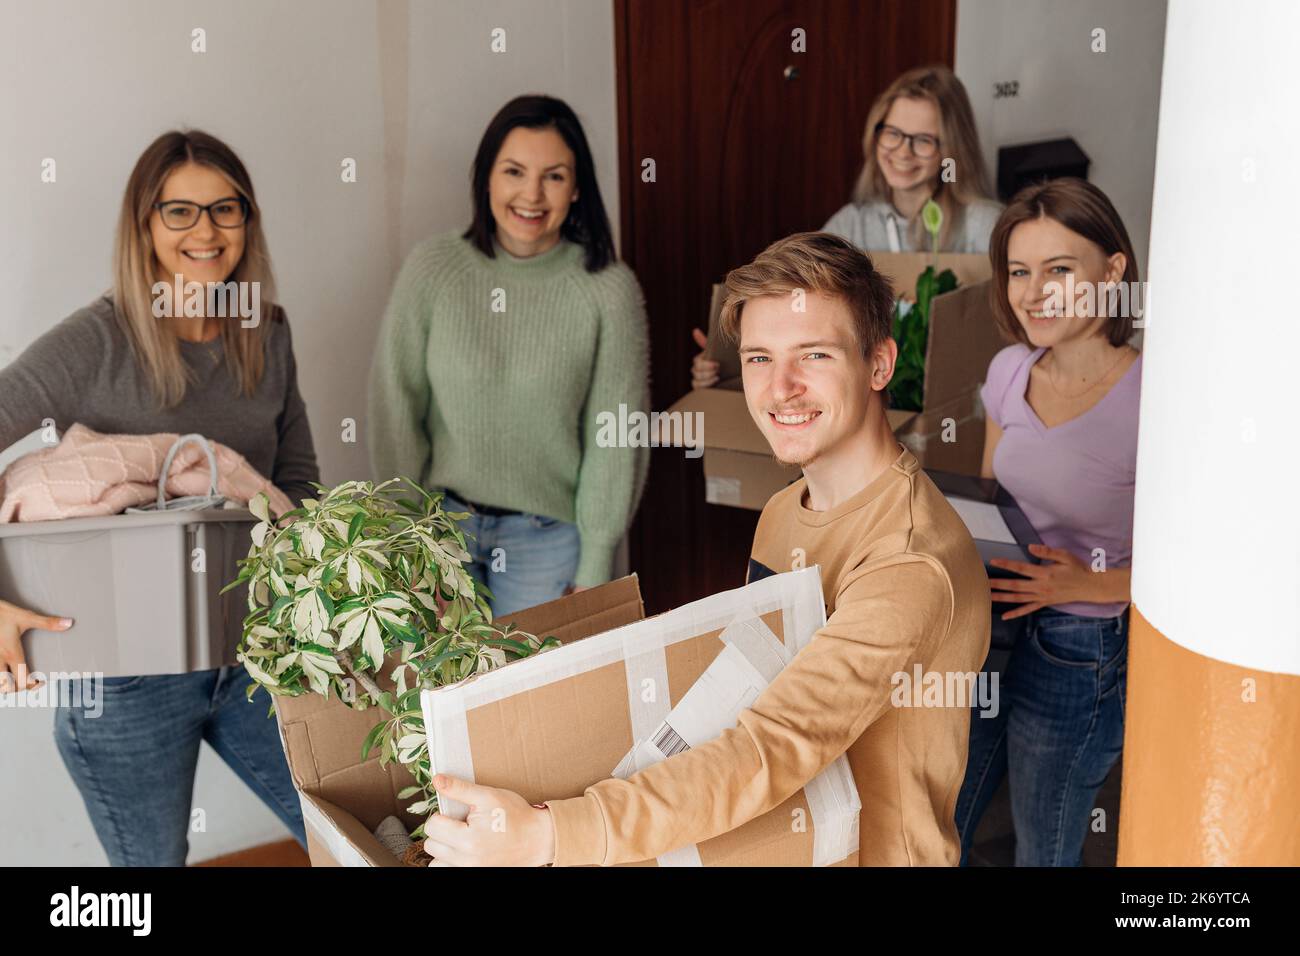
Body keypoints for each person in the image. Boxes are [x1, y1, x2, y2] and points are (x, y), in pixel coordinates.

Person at [413, 232, 991, 866]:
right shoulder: (782, 510)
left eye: (815, 355)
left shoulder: (909, 560)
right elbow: (754, 682)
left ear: (879, 364)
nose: (781, 388)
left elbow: (772, 746)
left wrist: (551, 835)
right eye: (760, 358)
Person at [0, 129, 318, 865]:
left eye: (225, 209)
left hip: (252, 653)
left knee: (349, 828)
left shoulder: (264, 335)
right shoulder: (95, 342)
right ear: (144, 225)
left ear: (248, 221)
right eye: (179, 212)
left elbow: (298, 487)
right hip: (123, 685)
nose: (205, 231)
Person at [368, 95, 649, 616]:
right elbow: (395, 409)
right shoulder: (433, 269)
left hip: (548, 542)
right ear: (487, 179)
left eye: (555, 176)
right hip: (439, 531)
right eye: (514, 171)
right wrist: (405, 540)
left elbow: (615, 434)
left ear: (578, 187)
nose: (532, 194)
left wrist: (595, 568)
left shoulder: (608, 289)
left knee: (541, 696)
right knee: (441, 695)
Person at [954, 178, 1142, 866]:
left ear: (1113, 270)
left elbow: (1206, 562)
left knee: (1043, 838)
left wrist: (1084, 586)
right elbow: (989, 495)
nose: (1033, 293)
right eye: (1019, 272)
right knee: (947, 809)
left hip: (1081, 645)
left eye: (1059, 270)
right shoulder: (1008, 372)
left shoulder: (1153, 399)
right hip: (996, 620)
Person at [691, 64, 1001, 389]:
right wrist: (724, 358)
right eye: (892, 133)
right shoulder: (849, 224)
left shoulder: (985, 226)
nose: (903, 152)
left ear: (952, 148)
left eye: (923, 140)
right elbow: (795, 306)